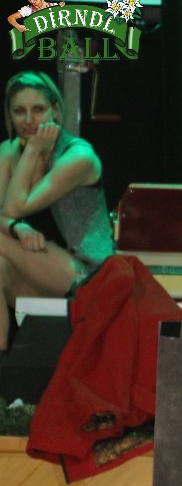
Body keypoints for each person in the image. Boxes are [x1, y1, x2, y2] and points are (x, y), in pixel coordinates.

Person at [0, 70, 113, 350]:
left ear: (56, 111)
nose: (29, 120)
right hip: (39, 270)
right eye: (19, 111)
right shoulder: (7, 152)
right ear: (9, 116)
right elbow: (9, 217)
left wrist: (32, 150)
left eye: (38, 109)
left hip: (88, 275)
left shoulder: (78, 156)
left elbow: (13, 207)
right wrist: (17, 228)